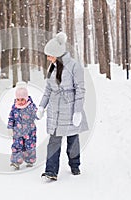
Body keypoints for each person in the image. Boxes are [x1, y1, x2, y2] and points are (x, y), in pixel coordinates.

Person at [36, 32, 88, 181]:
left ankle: (75, 165)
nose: (47, 58)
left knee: (72, 140)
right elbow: (48, 89)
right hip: (55, 110)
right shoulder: (52, 68)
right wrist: (41, 107)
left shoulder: (74, 66)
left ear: (57, 54)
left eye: (50, 55)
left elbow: (80, 90)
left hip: (69, 109)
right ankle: (51, 171)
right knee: (54, 140)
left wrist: (77, 111)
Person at [7, 82, 38, 170]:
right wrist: (10, 127)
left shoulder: (30, 107)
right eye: (18, 99)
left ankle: (30, 160)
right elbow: (11, 118)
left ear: (26, 98)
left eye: (22, 99)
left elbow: (36, 115)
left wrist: (37, 113)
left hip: (30, 132)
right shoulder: (14, 107)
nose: (20, 102)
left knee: (29, 146)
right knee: (16, 146)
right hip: (17, 132)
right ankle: (16, 161)